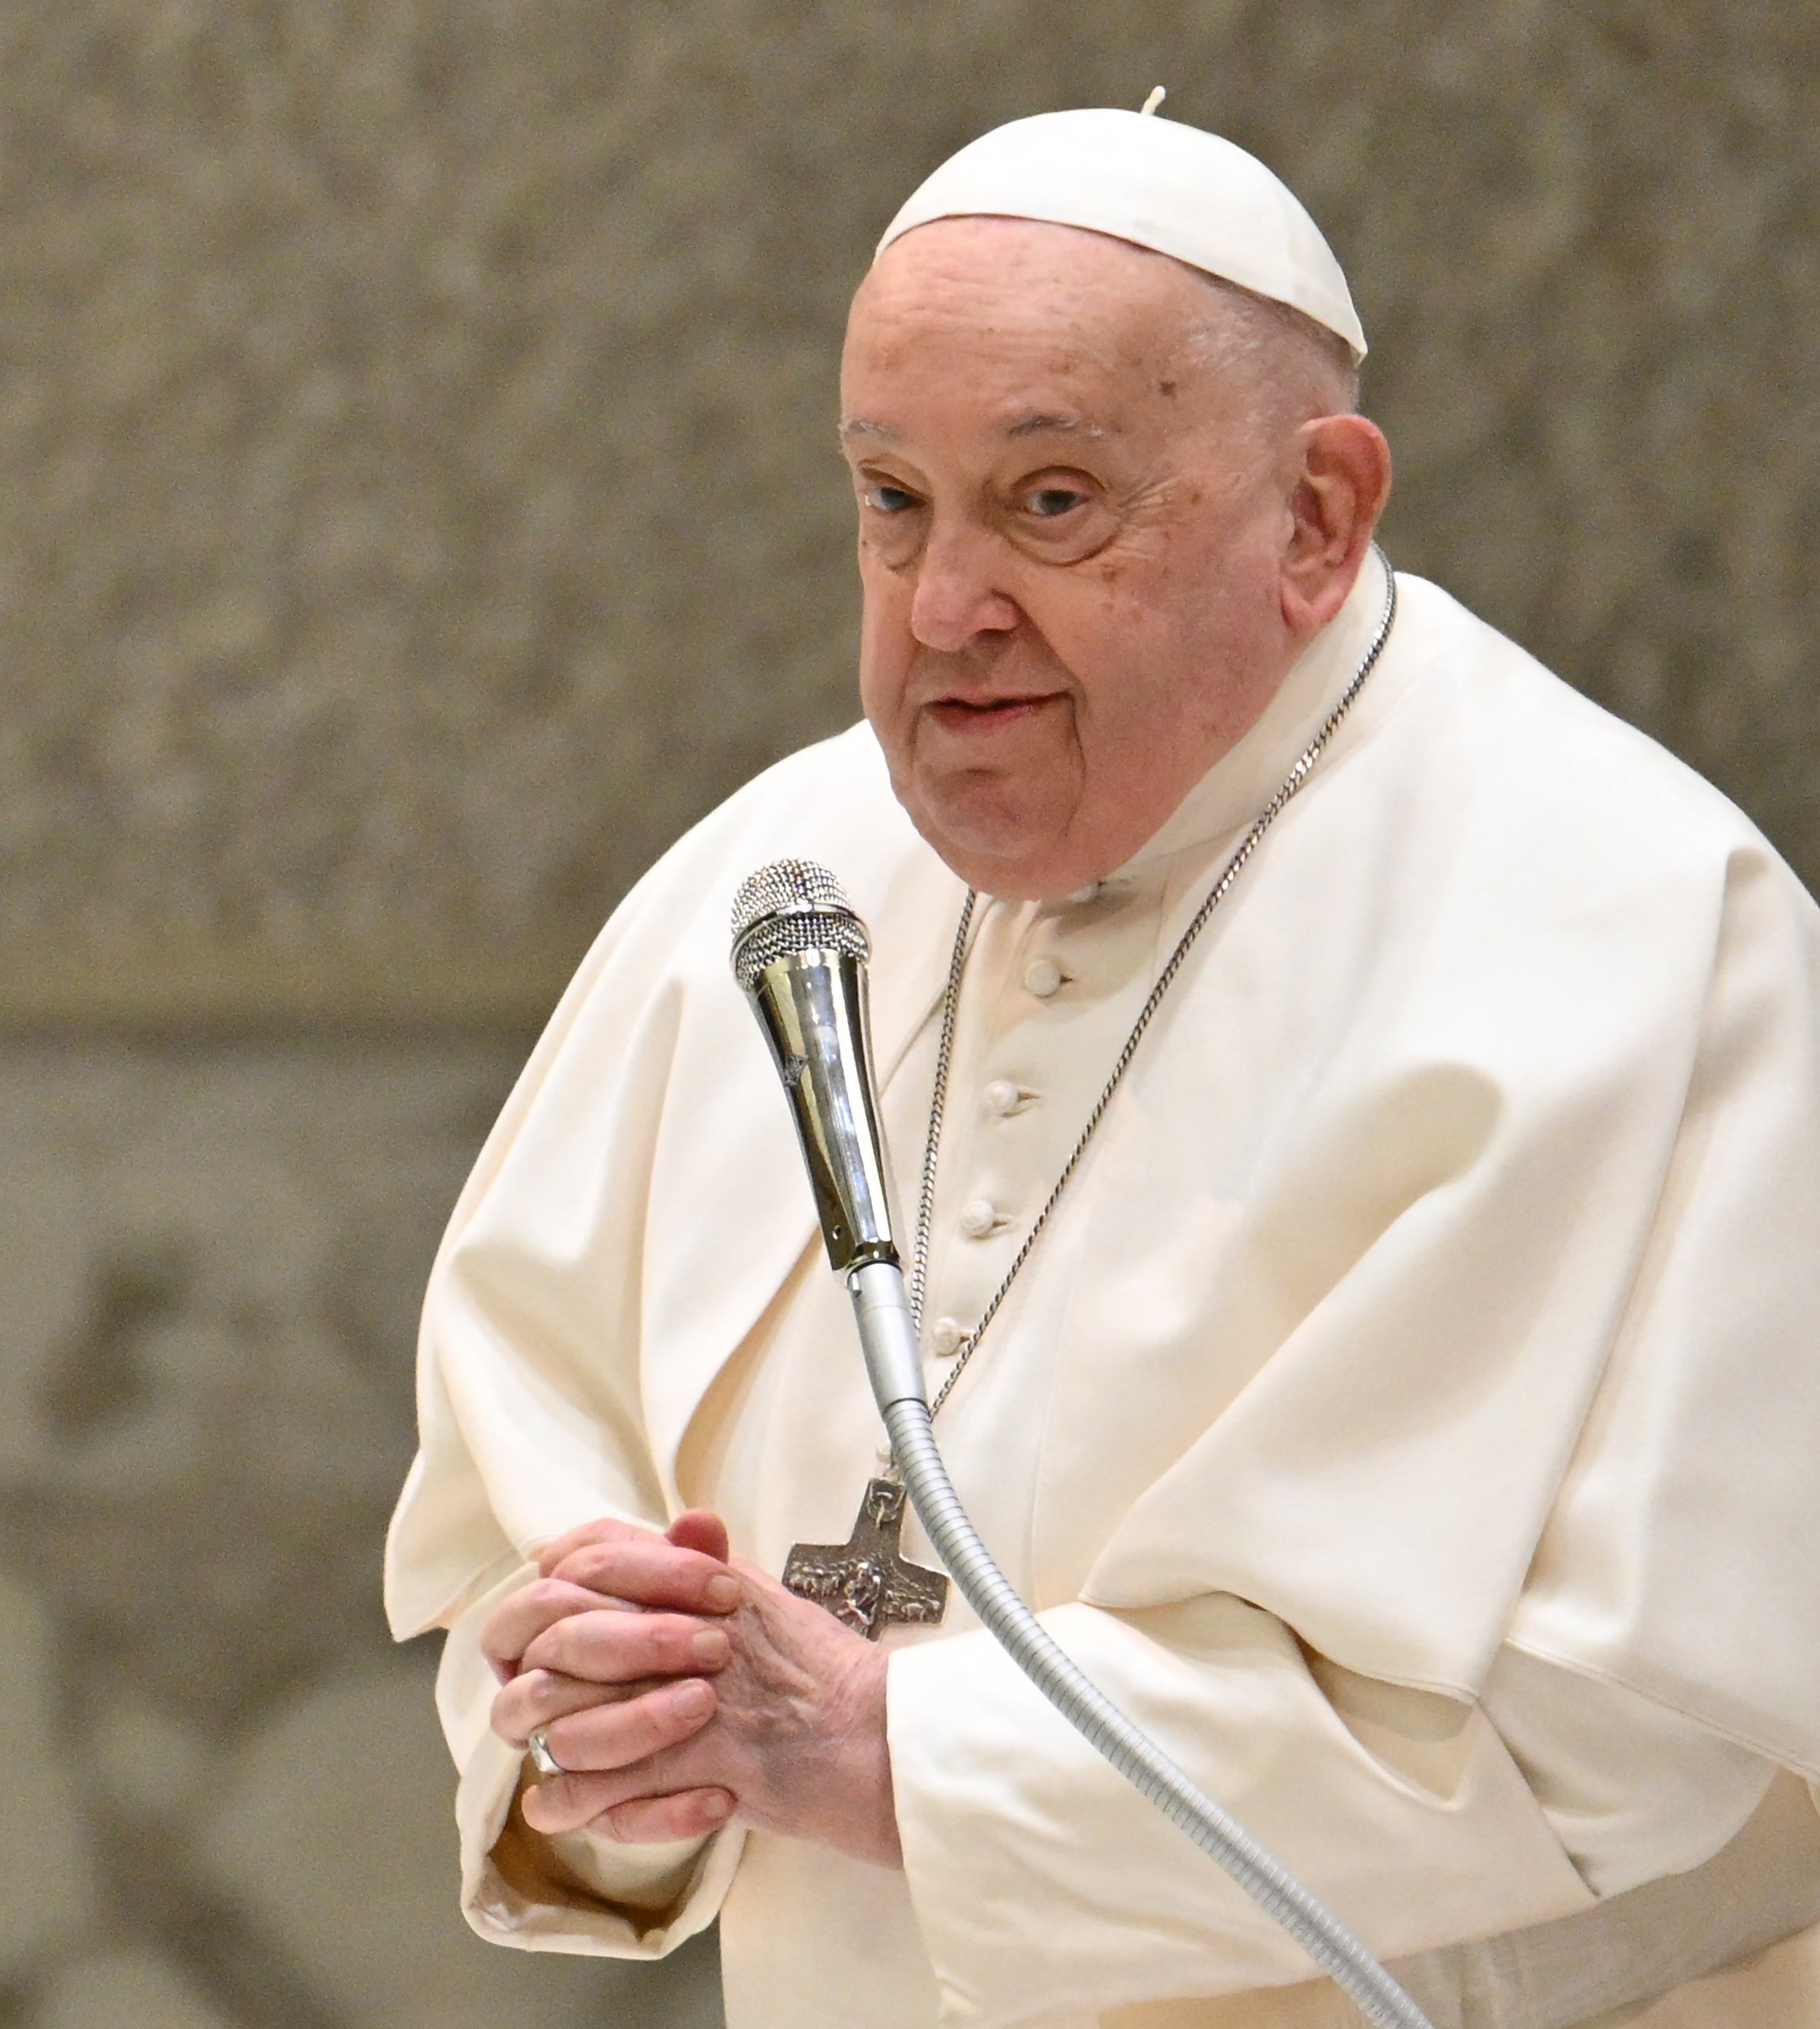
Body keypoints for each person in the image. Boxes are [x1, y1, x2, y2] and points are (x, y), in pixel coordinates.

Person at [383, 105, 1820, 2029]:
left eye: (1050, 502)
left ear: (1313, 518)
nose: (943, 605)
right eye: (891, 499)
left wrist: (897, 1751)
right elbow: (516, 1552)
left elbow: (1639, 1733)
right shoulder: (765, 891)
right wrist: (611, 1740)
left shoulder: (1633, 921)